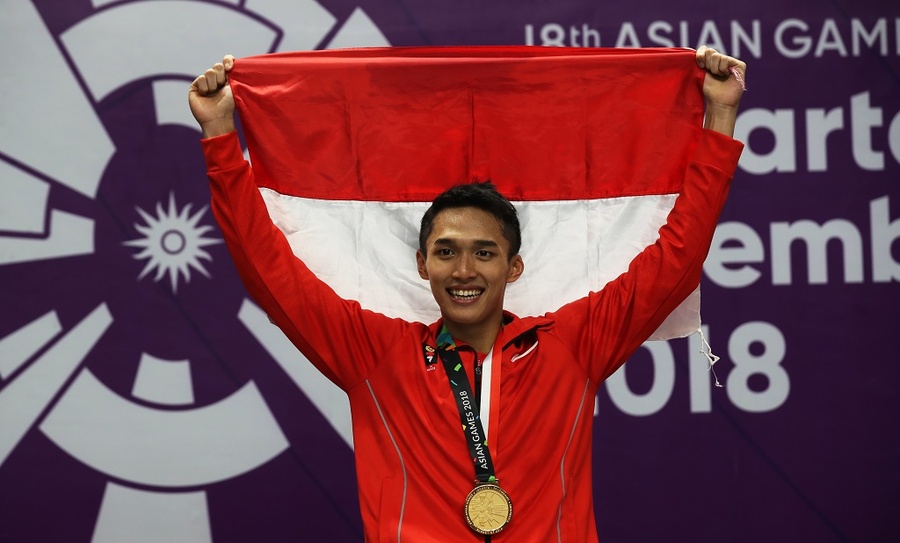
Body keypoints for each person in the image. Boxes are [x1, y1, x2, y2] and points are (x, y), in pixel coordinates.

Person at [189, 46, 746, 542]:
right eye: (446, 251)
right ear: (421, 264)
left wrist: (720, 116)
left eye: (484, 253)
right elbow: (269, 270)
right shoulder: (375, 354)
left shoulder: (574, 345)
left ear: (514, 267)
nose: (464, 270)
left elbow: (676, 256)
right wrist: (219, 137)